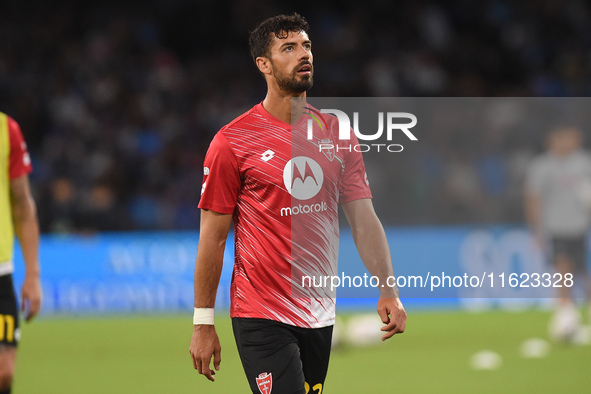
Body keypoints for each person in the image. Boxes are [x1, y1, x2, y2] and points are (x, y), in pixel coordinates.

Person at [189, 13, 406, 393]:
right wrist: (203, 321)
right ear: (264, 65)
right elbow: (213, 238)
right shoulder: (232, 142)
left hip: (319, 312)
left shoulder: (338, 133)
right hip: (260, 311)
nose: (303, 54)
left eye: (306, 46)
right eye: (288, 48)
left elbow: (363, 220)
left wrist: (388, 288)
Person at [525, 126, 591, 341]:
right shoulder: (542, 166)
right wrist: (537, 229)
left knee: (582, 270)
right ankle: (565, 315)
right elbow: (534, 198)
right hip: (556, 227)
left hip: (581, 226)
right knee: (563, 268)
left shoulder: (584, 163)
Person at [0, 112, 41, 394]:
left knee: (4, 372)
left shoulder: (6, 129)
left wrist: (32, 274)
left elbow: (23, 206)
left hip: (1, 272)